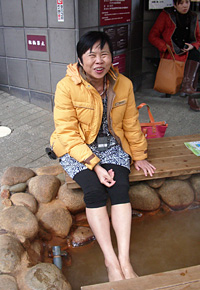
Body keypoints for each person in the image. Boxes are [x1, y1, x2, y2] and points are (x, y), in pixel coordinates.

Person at [50, 31, 155, 282]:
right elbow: (67, 133)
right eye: (92, 55)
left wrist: (139, 155)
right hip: (77, 148)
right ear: (80, 59)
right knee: (95, 191)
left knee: (120, 189)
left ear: (111, 57)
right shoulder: (66, 86)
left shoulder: (123, 84)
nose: (99, 61)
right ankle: (110, 261)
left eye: (104, 54)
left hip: (112, 147)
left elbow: (130, 123)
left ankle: (125, 261)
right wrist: (94, 165)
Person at [148, 0, 200, 111]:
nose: (185, 5)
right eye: (181, 3)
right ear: (175, 5)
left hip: (188, 50)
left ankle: (188, 89)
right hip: (172, 52)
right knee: (195, 57)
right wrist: (165, 47)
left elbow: (198, 37)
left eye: (187, 2)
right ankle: (189, 92)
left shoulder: (193, 16)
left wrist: (193, 45)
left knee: (196, 55)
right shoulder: (167, 15)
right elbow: (152, 36)